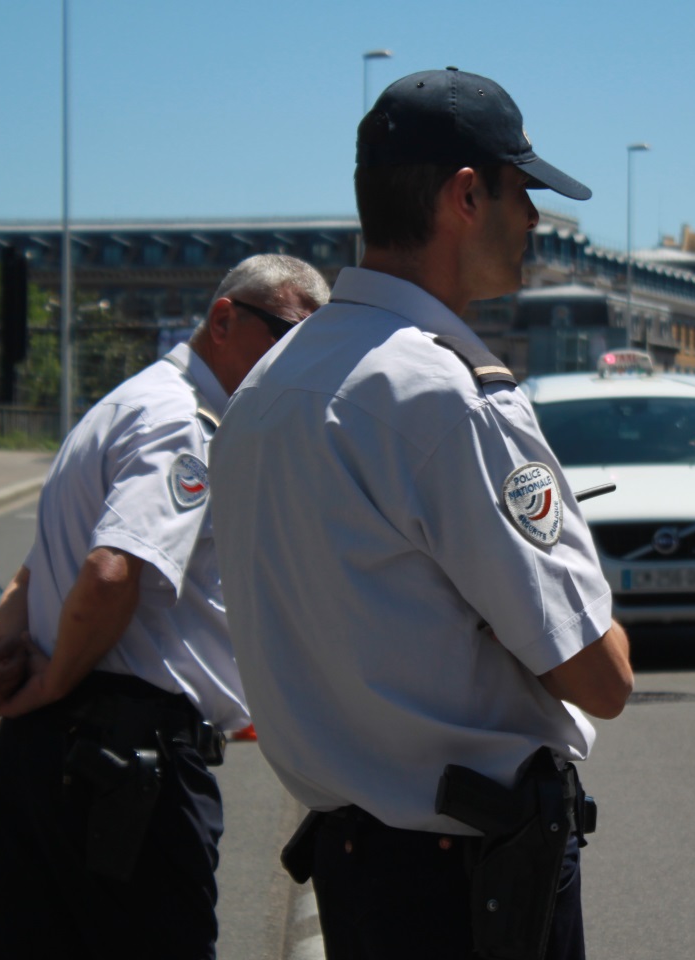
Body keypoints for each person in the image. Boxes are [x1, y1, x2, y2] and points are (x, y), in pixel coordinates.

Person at [211, 68, 633, 960]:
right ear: (467, 196)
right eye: (524, 193)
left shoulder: (264, 390)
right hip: (471, 884)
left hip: (358, 870)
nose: (535, 222)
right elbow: (601, 677)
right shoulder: (450, 399)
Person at [0, 253, 330, 960]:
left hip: (58, 758)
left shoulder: (128, 401)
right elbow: (108, 571)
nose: (297, 363)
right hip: (124, 767)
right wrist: (55, 679)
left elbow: (33, 574)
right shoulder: (185, 425)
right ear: (225, 319)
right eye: (286, 338)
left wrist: (27, 647)